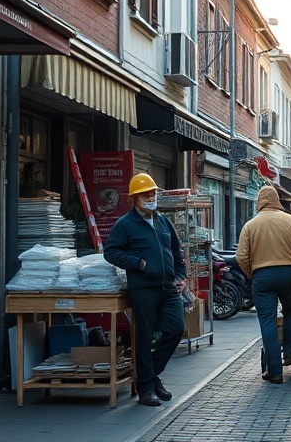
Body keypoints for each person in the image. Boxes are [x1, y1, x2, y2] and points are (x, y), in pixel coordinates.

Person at [103, 173, 186, 407]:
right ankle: (146, 389)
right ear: (134, 198)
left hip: (168, 288)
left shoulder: (163, 221)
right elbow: (111, 252)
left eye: (153, 192)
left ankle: (151, 374)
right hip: (143, 289)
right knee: (144, 336)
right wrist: (139, 263)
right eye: (146, 194)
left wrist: (180, 275)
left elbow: (176, 251)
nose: (151, 196)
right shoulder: (126, 224)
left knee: (176, 328)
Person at [236, 186, 291, 384]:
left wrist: (252, 272)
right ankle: (289, 352)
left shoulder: (250, 225)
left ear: (260, 201)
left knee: (267, 320)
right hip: (289, 274)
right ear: (277, 200)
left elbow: (241, 256)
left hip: (263, 276)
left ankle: (275, 371)